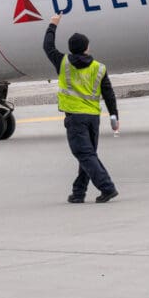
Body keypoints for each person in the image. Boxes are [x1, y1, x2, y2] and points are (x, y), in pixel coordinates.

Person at [43, 14, 119, 203]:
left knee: (84, 154)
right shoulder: (99, 68)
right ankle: (78, 193)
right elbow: (109, 94)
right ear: (87, 48)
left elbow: (48, 46)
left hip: (75, 118)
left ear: (70, 48)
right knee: (88, 155)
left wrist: (53, 24)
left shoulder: (62, 62)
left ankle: (107, 187)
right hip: (93, 118)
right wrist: (114, 116)